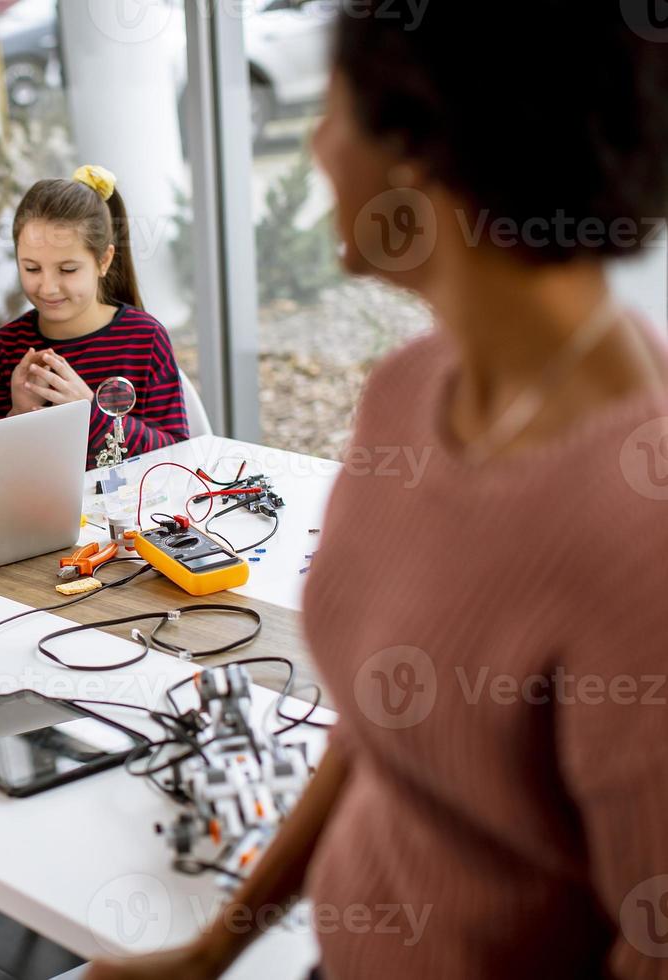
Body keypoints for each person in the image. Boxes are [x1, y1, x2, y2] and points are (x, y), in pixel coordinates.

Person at [88, 4, 668, 978]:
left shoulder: (633, 519)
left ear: (421, 144)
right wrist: (206, 954)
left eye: (333, 110)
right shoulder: (410, 390)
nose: (315, 143)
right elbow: (379, 721)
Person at [0, 165, 188, 468]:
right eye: (31, 268)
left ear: (104, 261)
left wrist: (91, 414)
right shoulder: (0, 352)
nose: (47, 287)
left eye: (67, 269)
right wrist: (18, 414)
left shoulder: (144, 339)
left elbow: (177, 454)